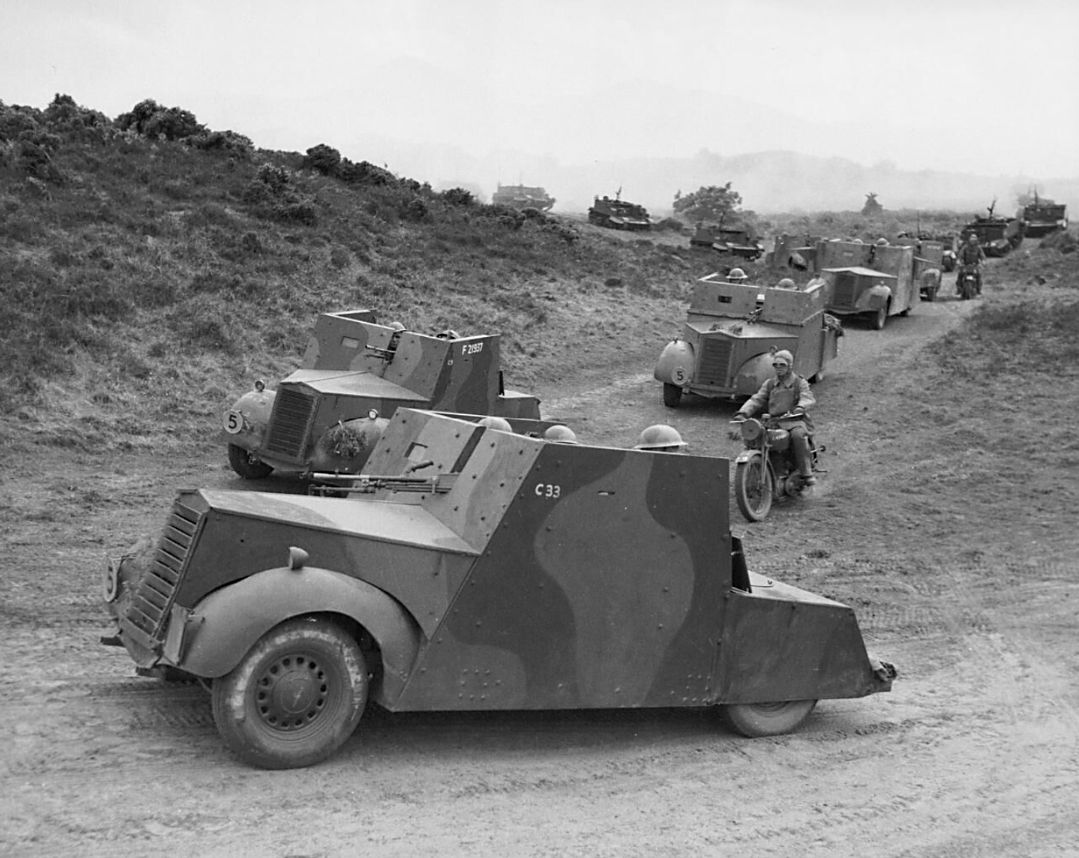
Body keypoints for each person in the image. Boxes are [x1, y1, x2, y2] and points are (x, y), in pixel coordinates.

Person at [734, 349, 817, 484]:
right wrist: (743, 413)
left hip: (795, 421)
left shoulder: (799, 382)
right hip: (774, 422)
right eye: (775, 365)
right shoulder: (770, 384)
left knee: (797, 436)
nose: (778, 368)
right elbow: (757, 399)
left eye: (782, 365)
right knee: (755, 438)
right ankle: (755, 473)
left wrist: (800, 407)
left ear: (790, 365)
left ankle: (806, 472)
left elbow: (807, 397)